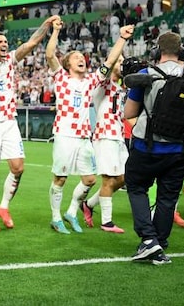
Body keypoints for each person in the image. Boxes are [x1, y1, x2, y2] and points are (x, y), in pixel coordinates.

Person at [124, 31, 184, 265]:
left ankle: (149, 240)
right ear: (182, 52)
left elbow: (129, 113)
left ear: (157, 51)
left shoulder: (146, 74)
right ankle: (159, 245)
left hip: (146, 145)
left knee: (136, 187)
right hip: (181, 148)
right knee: (167, 198)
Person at [45, 19, 131, 234]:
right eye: (75, 57)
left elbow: (110, 61)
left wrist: (122, 38)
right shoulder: (61, 78)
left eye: (82, 57)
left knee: (90, 179)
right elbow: (49, 55)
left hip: (84, 136)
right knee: (60, 178)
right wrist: (55, 31)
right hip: (64, 134)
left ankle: (71, 212)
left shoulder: (91, 81)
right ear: (67, 64)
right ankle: (56, 218)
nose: (81, 59)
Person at [0, 16, 58, 231]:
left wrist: (47, 24)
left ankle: (3, 207)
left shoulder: (10, 60)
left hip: (9, 121)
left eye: (6, 42)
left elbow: (31, 43)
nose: (4, 44)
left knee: (18, 167)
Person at [82, 55, 131, 233]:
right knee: (108, 179)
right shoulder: (103, 83)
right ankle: (106, 222)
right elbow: (109, 63)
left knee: (124, 178)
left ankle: (88, 204)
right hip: (105, 135)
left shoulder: (121, 88)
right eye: (120, 61)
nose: (122, 64)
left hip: (119, 136)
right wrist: (120, 46)